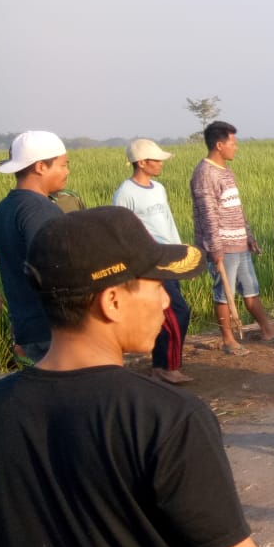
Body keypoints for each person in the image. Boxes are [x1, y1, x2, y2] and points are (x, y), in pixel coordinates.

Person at [0, 206, 274, 547]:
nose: (165, 301)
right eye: (157, 285)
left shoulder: (1, 409)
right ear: (112, 300)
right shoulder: (167, 417)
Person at [190, 120, 274, 354]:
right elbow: (208, 215)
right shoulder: (205, 174)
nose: (236, 147)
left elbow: (236, 208)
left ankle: (267, 329)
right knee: (224, 293)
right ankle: (228, 339)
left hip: (239, 241)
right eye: (233, 143)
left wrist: (249, 235)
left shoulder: (225, 170)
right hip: (223, 245)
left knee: (251, 287)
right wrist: (215, 248)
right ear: (220, 145)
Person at [113, 138, 194, 384]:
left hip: (169, 257)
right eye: (156, 160)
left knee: (169, 312)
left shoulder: (159, 189)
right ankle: (167, 366)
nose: (160, 164)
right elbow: (121, 231)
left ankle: (164, 364)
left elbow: (167, 222)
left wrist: (181, 251)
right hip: (148, 262)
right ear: (142, 163)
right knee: (176, 311)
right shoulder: (125, 193)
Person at [0, 131, 68, 363]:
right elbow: (54, 268)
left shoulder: (2, 209)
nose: (66, 172)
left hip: (27, 327)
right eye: (63, 164)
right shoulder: (40, 209)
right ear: (40, 167)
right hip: (55, 329)